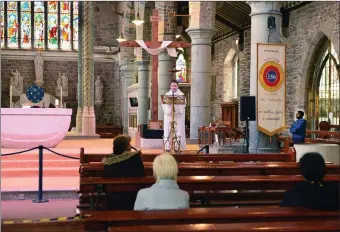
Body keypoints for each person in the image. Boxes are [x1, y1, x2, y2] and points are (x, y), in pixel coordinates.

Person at [102, 135, 145, 210]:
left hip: (113, 201)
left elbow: (104, 185)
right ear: (127, 147)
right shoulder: (136, 159)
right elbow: (142, 175)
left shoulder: (108, 162)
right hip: (133, 198)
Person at [162, 80, 186, 151]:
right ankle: (168, 147)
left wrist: (176, 107)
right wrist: (169, 108)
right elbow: (164, 105)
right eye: (172, 86)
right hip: (169, 117)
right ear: (170, 86)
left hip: (178, 117)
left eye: (175, 86)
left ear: (177, 86)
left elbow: (183, 106)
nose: (174, 87)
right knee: (168, 130)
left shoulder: (181, 95)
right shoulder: (166, 95)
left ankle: (177, 147)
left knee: (178, 131)